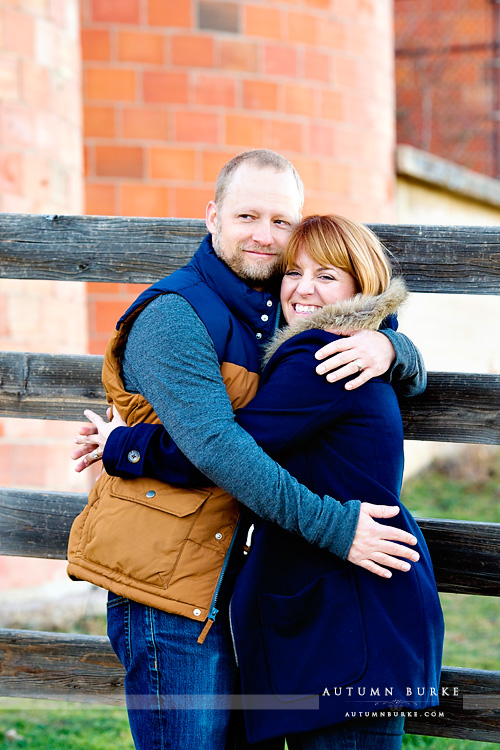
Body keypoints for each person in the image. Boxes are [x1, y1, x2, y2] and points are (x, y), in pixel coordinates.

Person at [68, 150, 427, 750]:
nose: (265, 236)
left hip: (233, 584)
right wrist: (124, 449)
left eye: (280, 222)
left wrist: (393, 348)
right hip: (168, 588)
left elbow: (328, 335)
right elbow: (217, 447)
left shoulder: (270, 313)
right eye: (247, 217)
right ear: (212, 217)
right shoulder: (175, 316)